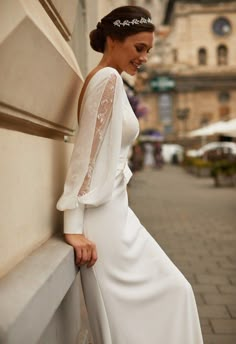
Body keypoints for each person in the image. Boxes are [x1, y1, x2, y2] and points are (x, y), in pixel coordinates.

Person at [56, 6, 204, 344]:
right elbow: (85, 155)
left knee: (173, 293)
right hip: (105, 220)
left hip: (118, 212)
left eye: (148, 50)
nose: (145, 57)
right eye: (139, 48)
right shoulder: (106, 79)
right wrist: (73, 228)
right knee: (167, 296)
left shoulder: (110, 79)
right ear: (113, 40)